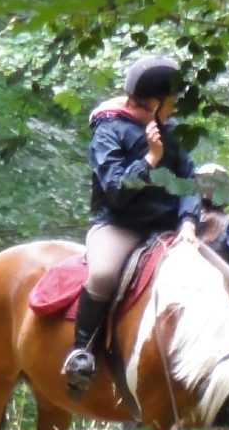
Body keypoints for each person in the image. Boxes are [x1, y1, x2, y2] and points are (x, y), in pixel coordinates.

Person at [62, 54, 202, 395]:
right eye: (171, 101)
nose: (175, 107)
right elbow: (115, 191)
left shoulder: (172, 132)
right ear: (154, 102)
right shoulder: (109, 129)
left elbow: (190, 179)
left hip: (168, 230)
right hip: (119, 226)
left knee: (226, 278)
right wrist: (149, 159)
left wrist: (187, 223)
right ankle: (81, 353)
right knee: (103, 275)